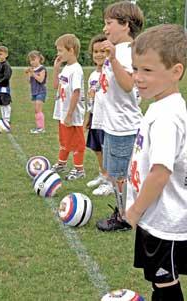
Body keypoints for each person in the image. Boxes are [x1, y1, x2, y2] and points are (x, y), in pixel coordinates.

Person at [125, 24, 187, 301]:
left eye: (147, 71)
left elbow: (161, 172)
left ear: (176, 72)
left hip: (164, 221)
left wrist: (135, 211)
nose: (138, 77)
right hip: (160, 217)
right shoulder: (163, 106)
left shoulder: (166, 116)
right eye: (135, 69)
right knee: (161, 281)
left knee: (165, 284)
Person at [96, 1, 144, 231]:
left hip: (123, 127)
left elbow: (127, 85)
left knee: (120, 176)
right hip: (112, 124)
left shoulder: (125, 52)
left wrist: (113, 59)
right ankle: (123, 210)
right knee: (115, 174)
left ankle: (124, 217)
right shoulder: (119, 50)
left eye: (109, 23)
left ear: (125, 24)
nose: (105, 29)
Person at [52, 33, 86, 181]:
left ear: (71, 50)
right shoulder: (66, 68)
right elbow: (55, 86)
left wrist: (70, 114)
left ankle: (79, 169)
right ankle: (61, 164)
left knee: (77, 142)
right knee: (64, 140)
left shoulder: (76, 70)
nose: (58, 54)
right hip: (62, 111)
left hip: (72, 114)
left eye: (60, 50)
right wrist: (56, 69)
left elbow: (76, 92)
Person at [85, 34, 113, 195]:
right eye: (96, 51)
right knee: (97, 149)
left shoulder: (110, 73)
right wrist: (89, 116)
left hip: (107, 119)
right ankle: (103, 175)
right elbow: (91, 98)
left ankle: (110, 181)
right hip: (95, 117)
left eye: (103, 51)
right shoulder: (93, 75)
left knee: (107, 149)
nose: (99, 54)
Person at [25, 50, 47, 134]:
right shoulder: (33, 69)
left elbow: (41, 80)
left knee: (38, 109)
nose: (32, 62)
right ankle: (38, 127)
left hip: (41, 91)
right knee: (36, 110)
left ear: (39, 59)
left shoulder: (42, 68)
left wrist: (33, 73)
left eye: (34, 59)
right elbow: (29, 81)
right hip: (34, 91)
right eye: (31, 60)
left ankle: (41, 128)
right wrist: (28, 74)